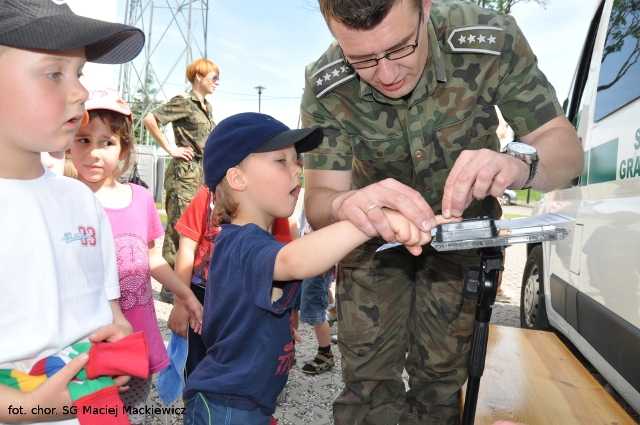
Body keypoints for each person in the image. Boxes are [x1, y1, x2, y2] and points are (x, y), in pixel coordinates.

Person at [300, 0, 584, 423]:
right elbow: (320, 196)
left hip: (463, 243)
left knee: (441, 384)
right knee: (368, 386)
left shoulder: (489, 39)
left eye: (400, 48)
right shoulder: (325, 83)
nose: (387, 74)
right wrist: (344, 203)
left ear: (426, 7)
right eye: (360, 59)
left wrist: (518, 164)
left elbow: (565, 147)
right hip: (373, 243)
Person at [183, 112, 434, 425]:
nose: (298, 168)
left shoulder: (249, 241)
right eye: (281, 161)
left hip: (246, 405)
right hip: (227, 408)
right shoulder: (241, 244)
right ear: (237, 178)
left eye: (297, 159)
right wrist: (372, 221)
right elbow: (294, 261)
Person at [0, 0, 145, 423]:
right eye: (53, 73)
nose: (80, 92)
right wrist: (25, 407)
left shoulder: (81, 200)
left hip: (97, 408)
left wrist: (116, 335)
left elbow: (107, 309)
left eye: (78, 73)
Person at [68, 88, 203, 424]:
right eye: (83, 140)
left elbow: (151, 258)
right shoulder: (65, 198)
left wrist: (183, 294)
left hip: (137, 337)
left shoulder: (141, 198)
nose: (94, 153)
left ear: (124, 148)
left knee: (133, 411)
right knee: (88, 413)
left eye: (107, 142)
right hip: (84, 341)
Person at [142, 58, 219, 304]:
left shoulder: (207, 107)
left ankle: (182, 283)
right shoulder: (184, 103)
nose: (217, 82)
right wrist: (170, 148)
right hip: (184, 174)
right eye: (214, 77)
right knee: (179, 229)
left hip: (202, 173)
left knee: (195, 229)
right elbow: (150, 120)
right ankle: (170, 289)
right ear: (199, 76)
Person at [296, 207, 336, 375]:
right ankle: (335, 311)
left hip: (319, 261)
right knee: (313, 304)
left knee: (317, 313)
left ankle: (325, 353)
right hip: (307, 257)